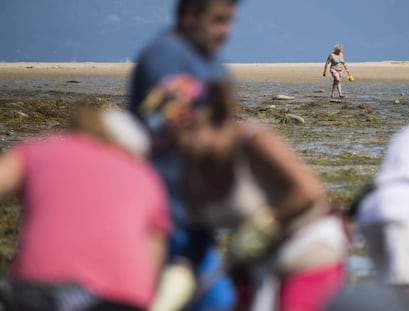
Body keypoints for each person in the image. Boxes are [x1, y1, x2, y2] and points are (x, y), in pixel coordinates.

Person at [172, 79, 350, 311]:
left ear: (206, 117)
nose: (179, 143)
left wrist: (263, 225)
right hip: (258, 266)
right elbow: (196, 235)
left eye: (184, 132)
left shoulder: (252, 141)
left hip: (308, 250)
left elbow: (309, 192)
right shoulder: (192, 170)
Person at [128, 1, 242, 311]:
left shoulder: (212, 63)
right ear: (191, 15)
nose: (226, 31)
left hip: (196, 222)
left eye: (230, 21)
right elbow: (172, 133)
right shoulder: (165, 57)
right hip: (165, 217)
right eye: (218, 21)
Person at [0, 108, 170, 311]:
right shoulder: (146, 176)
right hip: (124, 296)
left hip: (43, 287)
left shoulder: (41, 151)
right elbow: (153, 253)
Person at [356, 122, 409, 303]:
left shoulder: (406, 132)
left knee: (386, 286)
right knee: (404, 293)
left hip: (374, 208)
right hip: (404, 210)